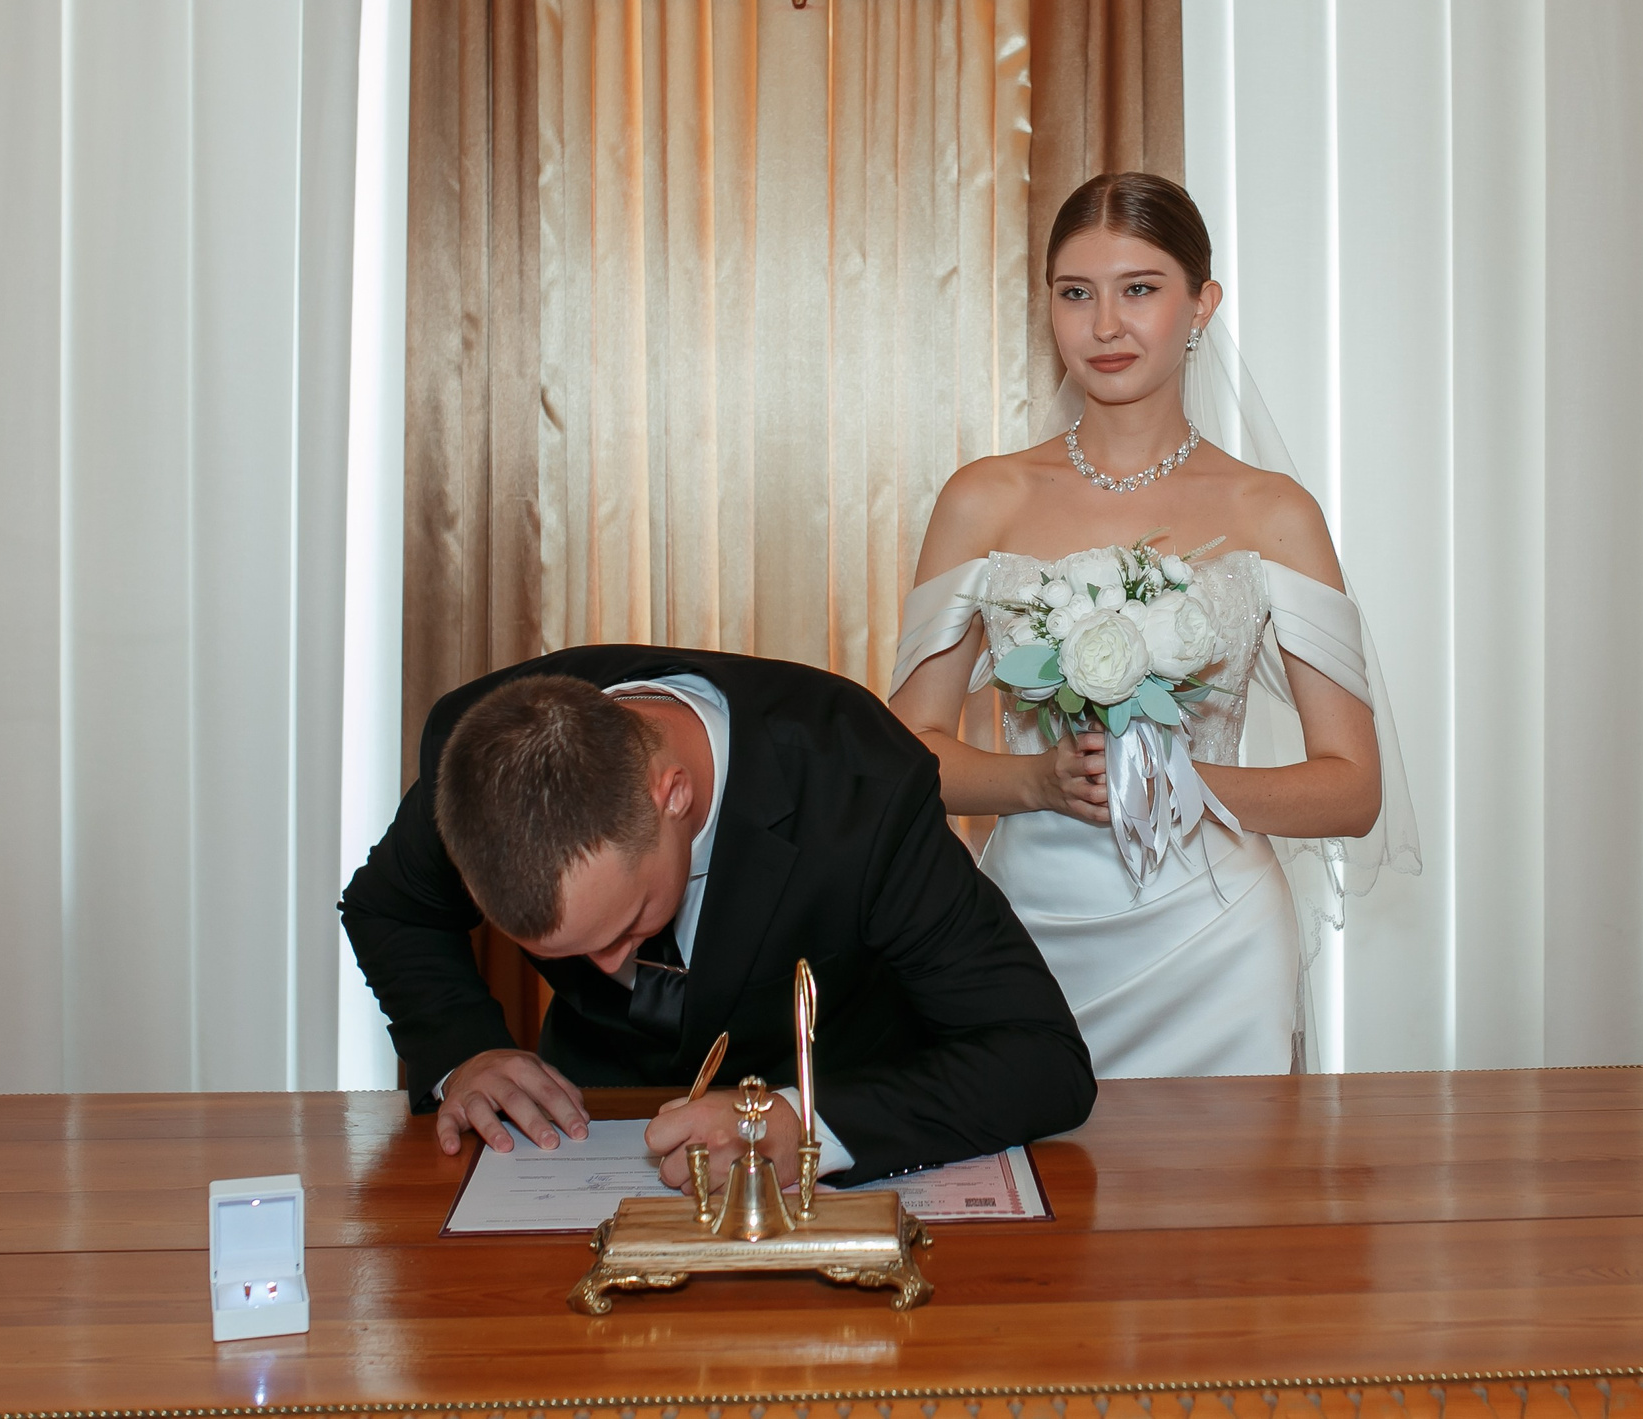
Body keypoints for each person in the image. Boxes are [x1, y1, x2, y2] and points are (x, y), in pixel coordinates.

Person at [888, 172, 1419, 1077]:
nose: (1105, 325)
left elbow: (1352, 787)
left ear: (1201, 304)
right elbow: (905, 758)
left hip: (1217, 944)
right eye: (1075, 293)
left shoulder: (1271, 511)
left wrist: (1183, 783)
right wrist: (1039, 781)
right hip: (1028, 929)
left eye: (1140, 289)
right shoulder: (985, 499)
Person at [341, 645, 1096, 1188]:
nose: (613, 972)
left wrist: (802, 1123)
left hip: (839, 1125)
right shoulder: (480, 760)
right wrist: (465, 1048)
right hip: (587, 1141)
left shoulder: (860, 785)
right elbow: (387, 908)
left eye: (627, 925)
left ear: (675, 795)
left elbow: (1039, 1056)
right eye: (569, 951)